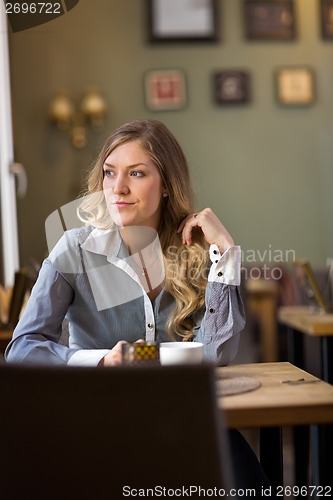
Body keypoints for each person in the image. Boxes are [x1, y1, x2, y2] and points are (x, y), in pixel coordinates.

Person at [5, 119, 273, 496]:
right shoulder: (74, 250)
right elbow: (22, 348)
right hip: (99, 421)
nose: (118, 188)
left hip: (181, 421)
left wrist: (225, 252)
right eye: (110, 173)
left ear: (166, 185)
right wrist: (99, 361)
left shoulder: (196, 253)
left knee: (240, 471)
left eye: (137, 173)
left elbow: (216, 353)